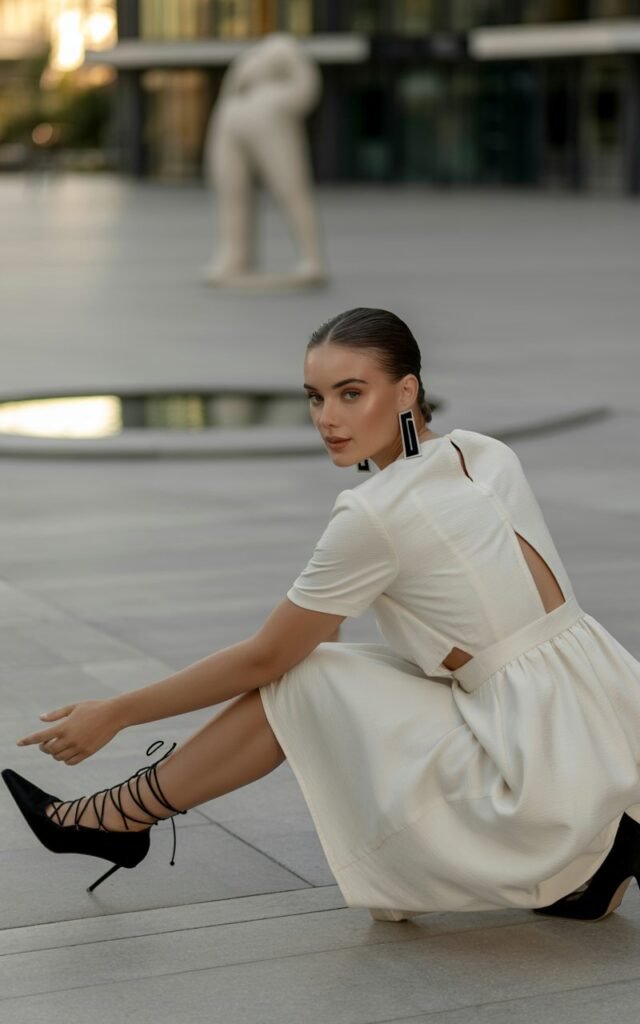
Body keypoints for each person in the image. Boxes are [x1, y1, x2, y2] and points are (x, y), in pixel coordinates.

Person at [4, 307, 640, 921]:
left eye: (351, 393)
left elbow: (265, 657)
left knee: (301, 677)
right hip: (603, 709)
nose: (328, 419)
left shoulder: (374, 514)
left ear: (405, 390)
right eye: (315, 397)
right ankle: (120, 816)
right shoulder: (485, 451)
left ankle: (115, 817)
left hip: (533, 758)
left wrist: (116, 713)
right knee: (316, 667)